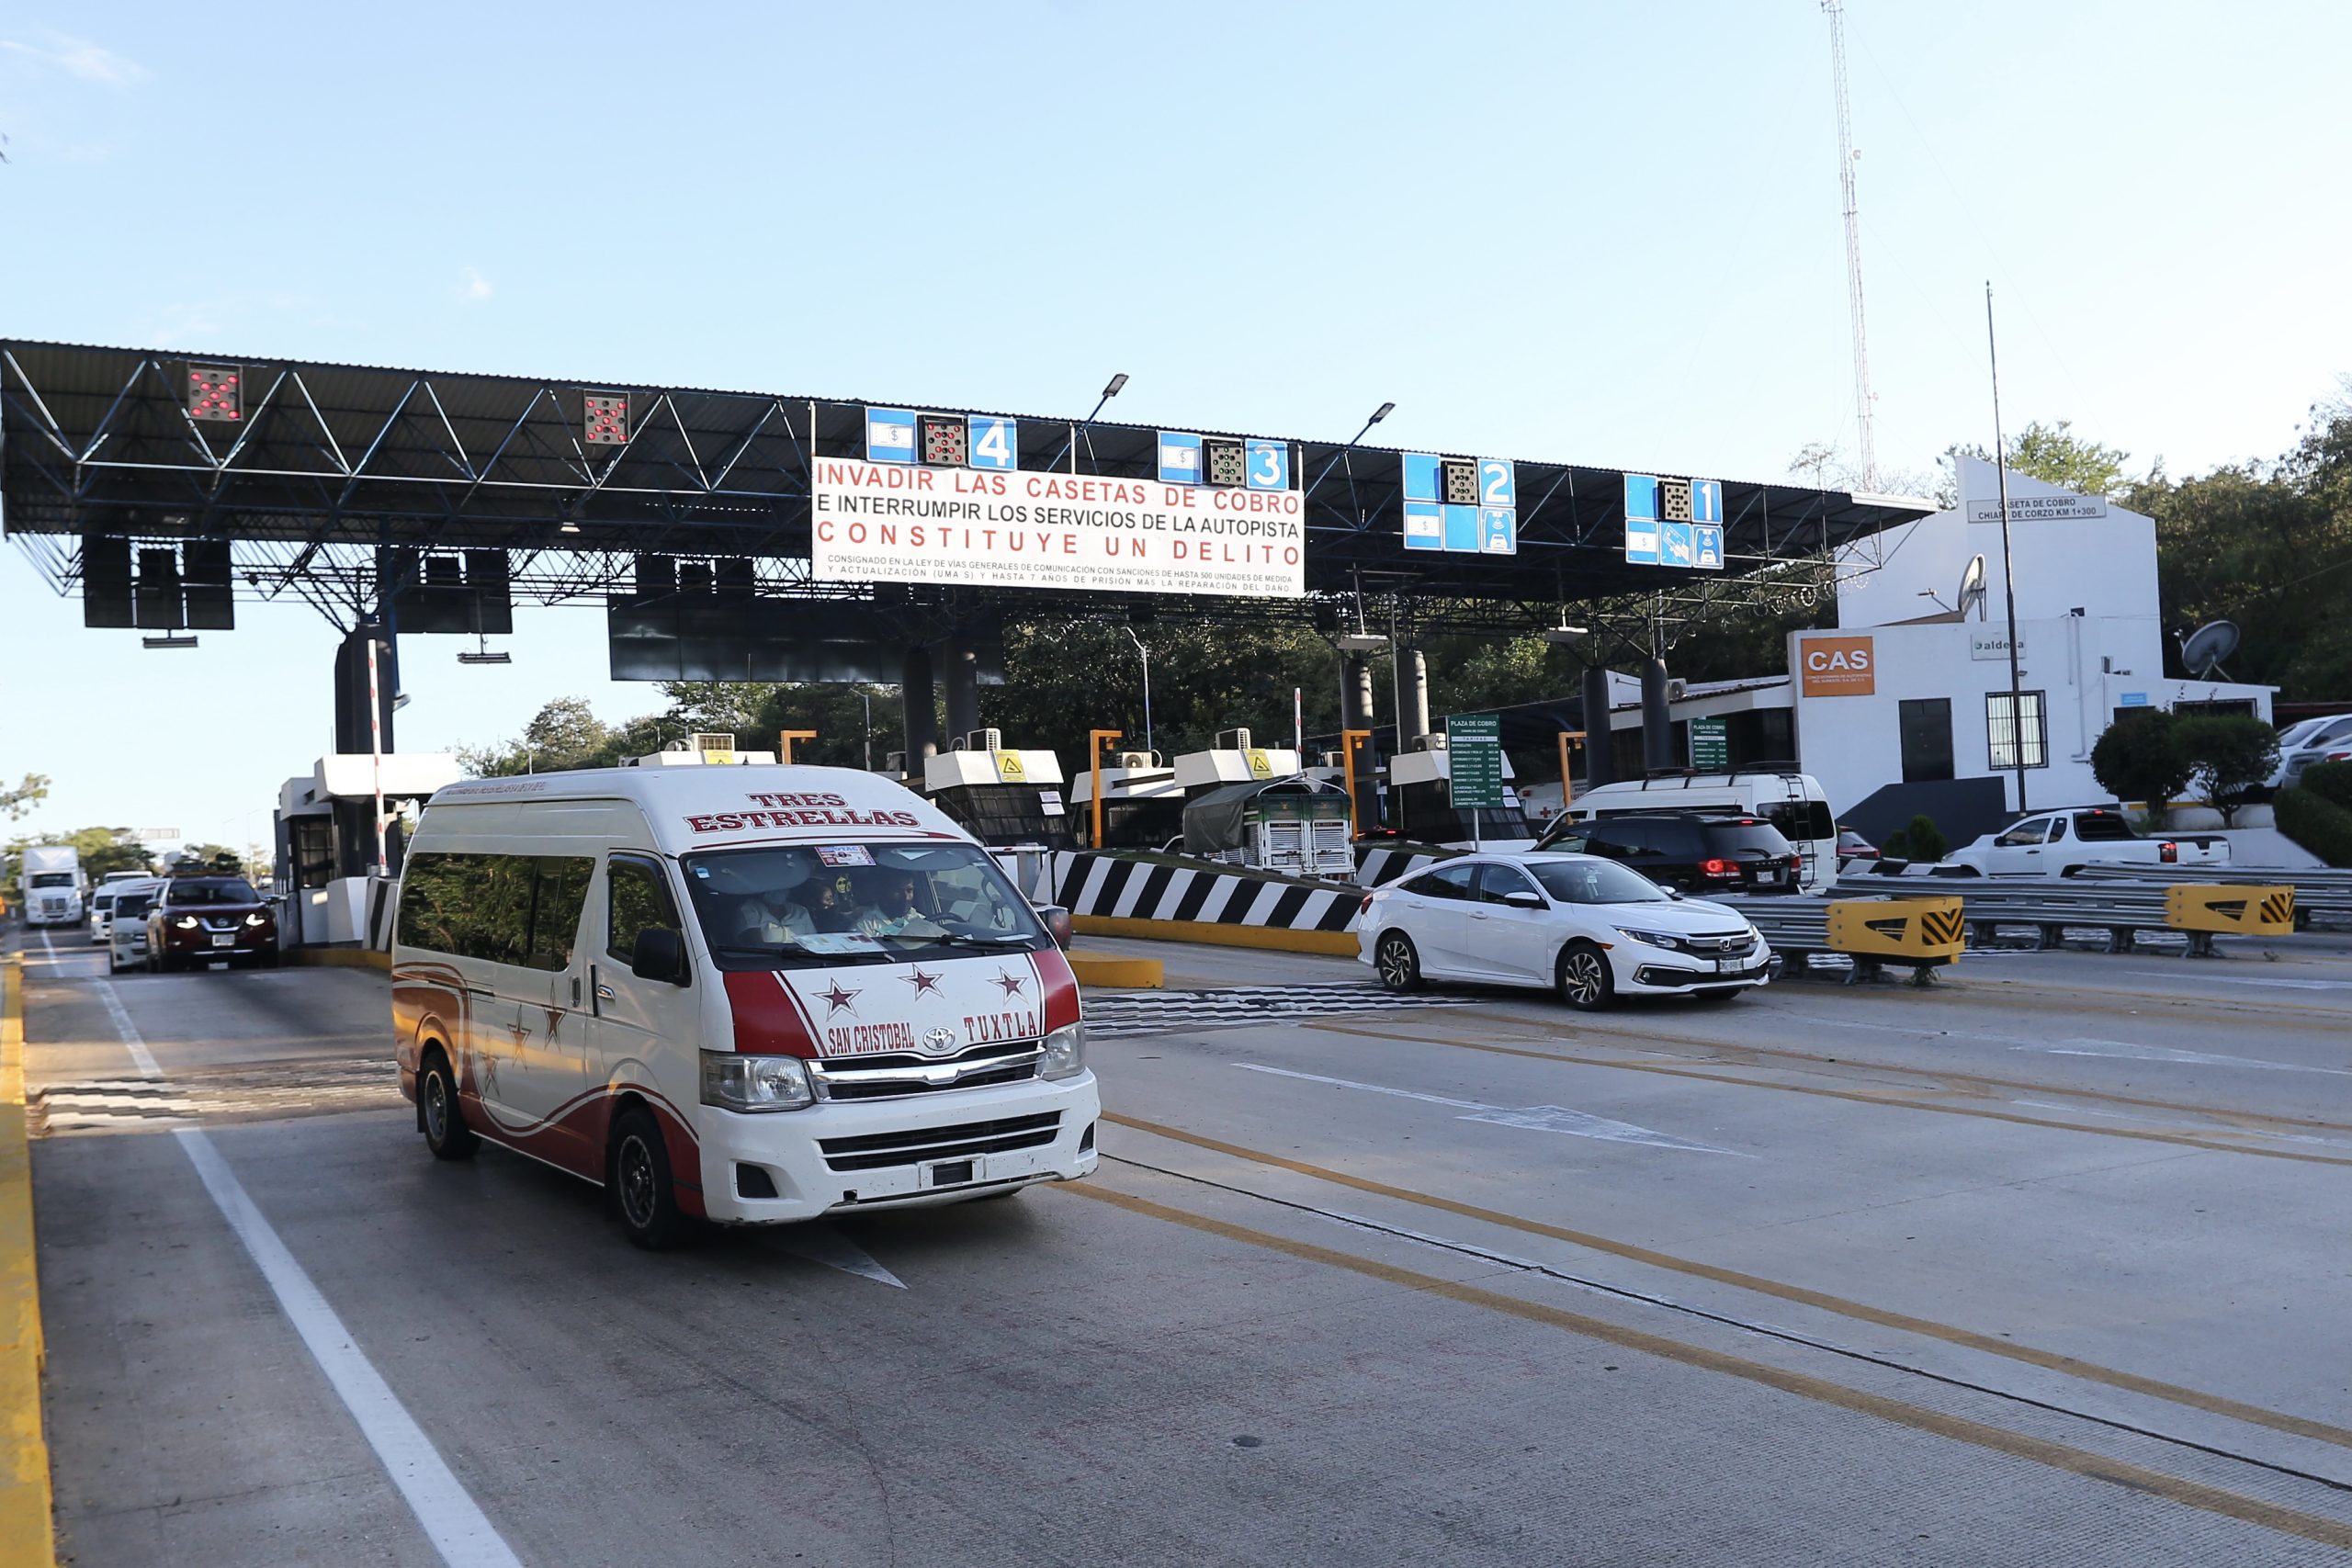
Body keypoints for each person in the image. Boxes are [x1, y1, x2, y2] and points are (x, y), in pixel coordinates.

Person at [733, 858, 818, 944]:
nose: (778, 889)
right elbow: (757, 945)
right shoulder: (750, 909)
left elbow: (813, 943)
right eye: (774, 885)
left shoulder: (801, 911)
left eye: (783, 885)